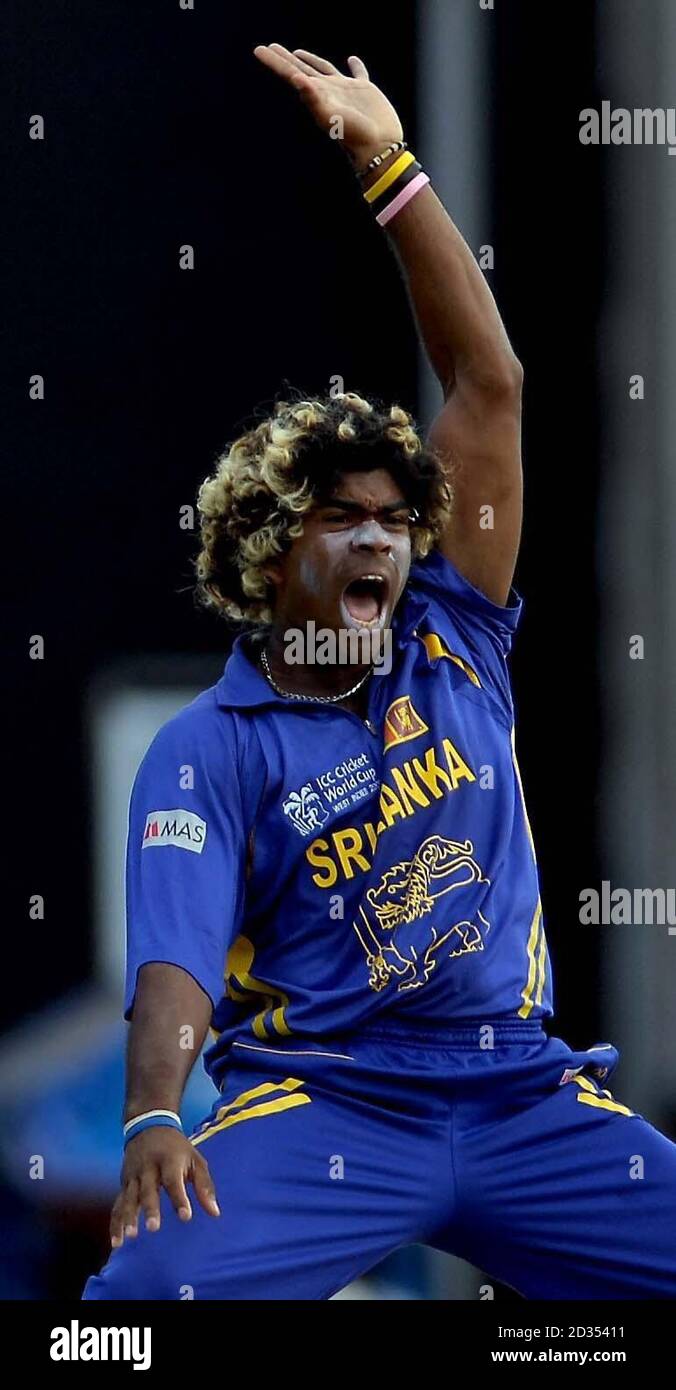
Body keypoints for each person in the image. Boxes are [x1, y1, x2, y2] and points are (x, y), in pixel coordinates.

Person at [83, 43, 676, 1301]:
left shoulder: (454, 629)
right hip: (331, 1113)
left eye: (392, 518)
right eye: (337, 517)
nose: (377, 539)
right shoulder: (209, 746)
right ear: (265, 553)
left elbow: (489, 384)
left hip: (522, 1091)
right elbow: (175, 969)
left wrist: (388, 166)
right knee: (131, 1311)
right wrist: (150, 1116)